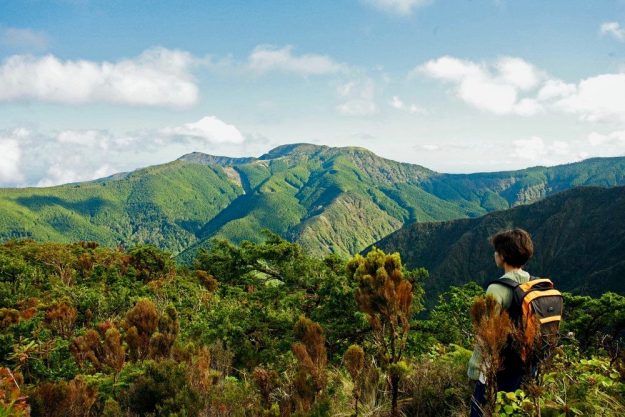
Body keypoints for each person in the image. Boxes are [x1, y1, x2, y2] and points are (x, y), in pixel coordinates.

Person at [468, 228, 534, 417]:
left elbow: (486, 332)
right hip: (525, 363)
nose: (494, 254)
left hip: (498, 366)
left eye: (496, 251)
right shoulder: (532, 284)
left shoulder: (497, 289)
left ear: (503, 256)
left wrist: (474, 368)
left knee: (479, 411)